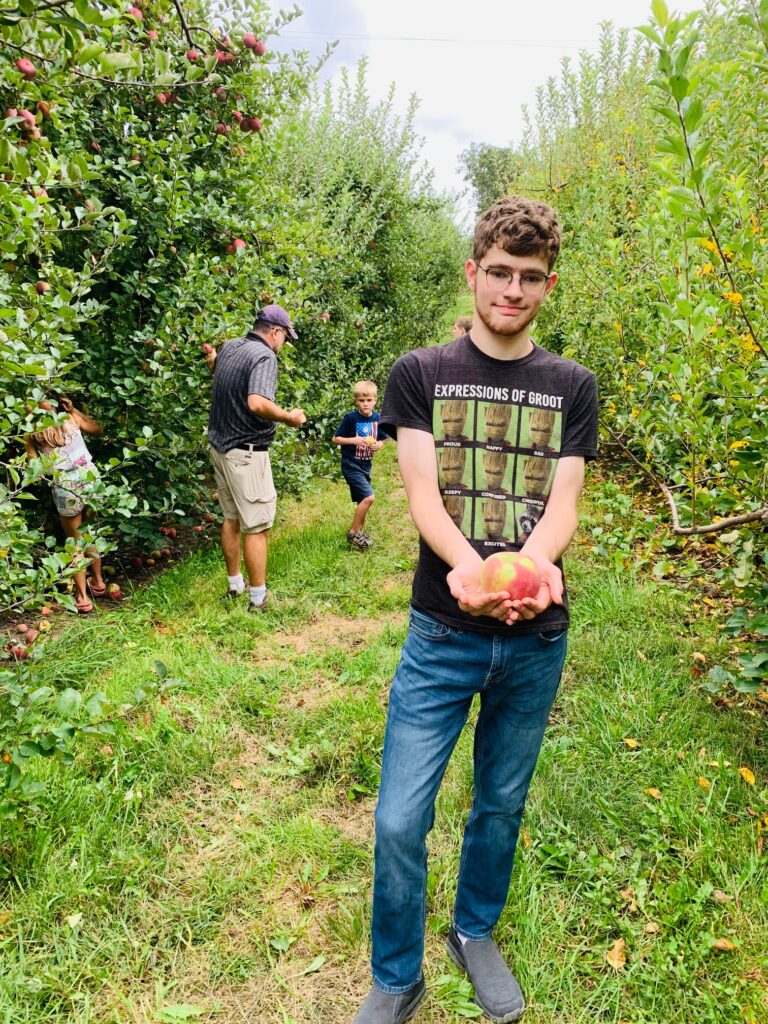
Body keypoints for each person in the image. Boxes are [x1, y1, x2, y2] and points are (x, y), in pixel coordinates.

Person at [354, 196, 598, 1024]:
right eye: (499, 272)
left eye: (531, 279)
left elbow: (562, 505)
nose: (513, 290)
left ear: (548, 286)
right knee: (398, 817)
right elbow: (421, 492)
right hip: (443, 632)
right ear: (474, 271)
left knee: (500, 801)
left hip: (536, 642)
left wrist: (535, 568)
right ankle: (396, 975)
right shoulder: (420, 373)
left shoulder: (573, 386)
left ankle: (474, 932)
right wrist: (473, 572)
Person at [207, 304, 306, 612]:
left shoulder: (232, 346)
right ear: (275, 332)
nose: (284, 344)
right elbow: (257, 402)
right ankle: (258, 598)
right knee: (257, 526)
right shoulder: (264, 356)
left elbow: (217, 367)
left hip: (220, 448)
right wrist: (289, 417)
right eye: (285, 337)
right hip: (246, 454)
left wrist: (212, 358)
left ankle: (235, 585)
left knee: (231, 518)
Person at [25, 396, 107, 614]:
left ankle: (82, 597)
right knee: (91, 534)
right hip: (90, 479)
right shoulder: (71, 419)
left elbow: (36, 473)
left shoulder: (33, 434)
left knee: (75, 543)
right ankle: (98, 581)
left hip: (65, 485)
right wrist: (75, 409)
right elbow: (96, 429)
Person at [332, 380, 389, 550]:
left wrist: (379, 444)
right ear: (356, 401)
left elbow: (382, 438)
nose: (365, 404)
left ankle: (361, 535)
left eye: (368, 400)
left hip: (366, 465)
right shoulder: (350, 418)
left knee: (361, 501)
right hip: (351, 464)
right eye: (362, 400)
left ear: (375, 400)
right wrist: (353, 440)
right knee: (369, 498)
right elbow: (335, 439)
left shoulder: (378, 418)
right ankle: (353, 533)